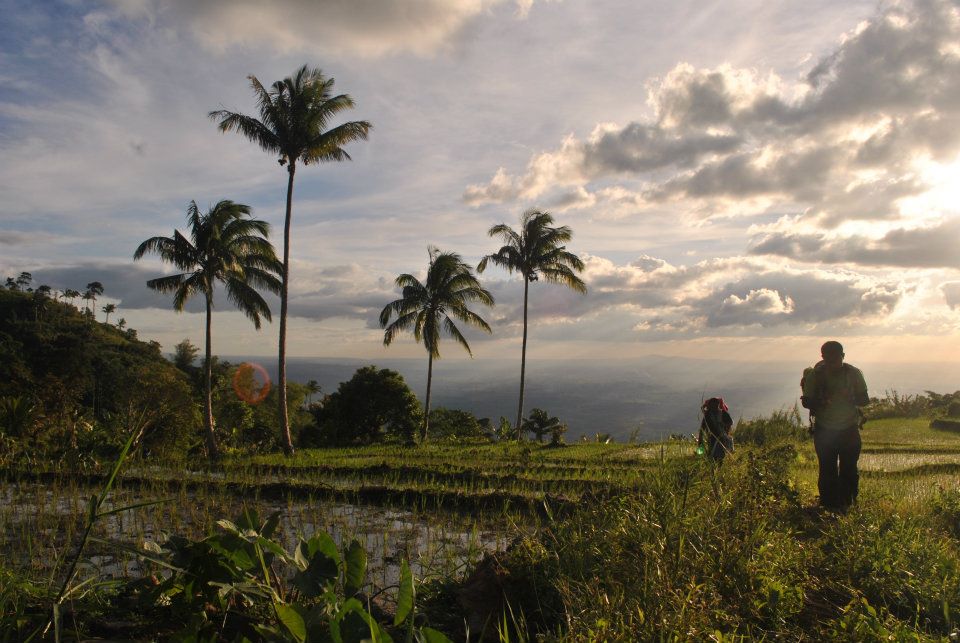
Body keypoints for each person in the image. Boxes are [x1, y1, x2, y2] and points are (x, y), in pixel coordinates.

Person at [802, 341, 869, 510]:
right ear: (823, 357)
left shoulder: (853, 373)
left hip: (847, 429)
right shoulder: (815, 375)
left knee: (848, 469)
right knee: (828, 470)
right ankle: (829, 506)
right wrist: (822, 401)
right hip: (826, 430)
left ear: (843, 356)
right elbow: (807, 402)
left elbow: (864, 400)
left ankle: (845, 505)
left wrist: (849, 397)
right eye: (828, 359)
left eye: (835, 359)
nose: (832, 363)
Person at [698, 397, 734, 462]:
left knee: (718, 455)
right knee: (714, 455)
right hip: (712, 438)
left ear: (718, 405)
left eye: (714, 405)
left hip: (721, 437)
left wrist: (723, 426)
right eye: (711, 406)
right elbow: (702, 428)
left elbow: (730, 422)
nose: (712, 407)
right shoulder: (708, 415)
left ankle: (716, 463)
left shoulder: (723, 413)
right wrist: (700, 441)